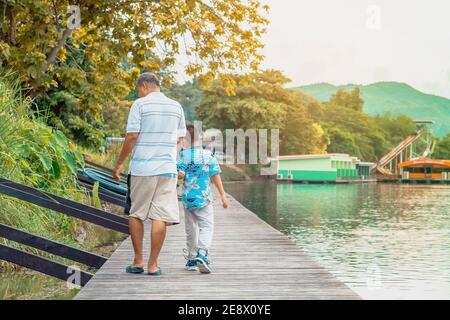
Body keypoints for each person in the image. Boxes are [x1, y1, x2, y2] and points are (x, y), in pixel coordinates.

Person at [113, 72, 186, 276]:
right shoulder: (176, 106)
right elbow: (179, 140)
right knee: (160, 216)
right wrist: (173, 163)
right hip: (167, 170)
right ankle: (153, 265)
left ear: (144, 86)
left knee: (136, 213)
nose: (139, 93)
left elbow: (132, 136)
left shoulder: (140, 104)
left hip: (143, 169)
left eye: (139, 89)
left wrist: (118, 164)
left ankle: (138, 262)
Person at [177, 125, 229, 274]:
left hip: (188, 199)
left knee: (191, 229)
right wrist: (223, 195)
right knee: (206, 226)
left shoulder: (182, 155)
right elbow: (215, 174)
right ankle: (202, 253)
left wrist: (182, 172)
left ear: (184, 139)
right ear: (200, 138)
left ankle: (192, 259)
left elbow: (180, 175)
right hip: (204, 198)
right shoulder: (208, 155)